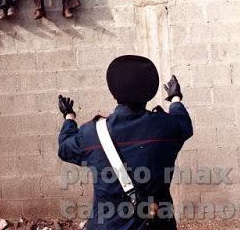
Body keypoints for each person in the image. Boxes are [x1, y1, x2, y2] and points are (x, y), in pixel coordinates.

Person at [58, 55, 193, 229]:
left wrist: (69, 117)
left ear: (114, 95)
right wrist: (175, 98)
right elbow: (184, 124)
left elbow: (65, 149)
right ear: (149, 93)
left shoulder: (92, 134)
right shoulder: (166, 127)